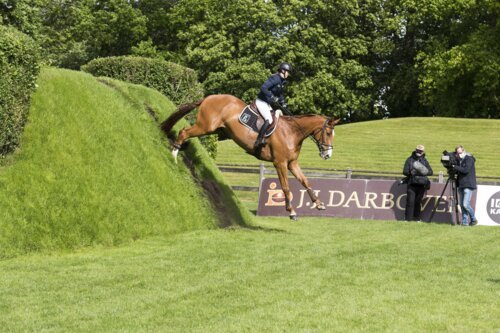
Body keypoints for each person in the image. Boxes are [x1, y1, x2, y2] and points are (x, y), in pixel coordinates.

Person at [254, 62, 292, 148]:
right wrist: (272, 96)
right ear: (283, 71)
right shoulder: (275, 78)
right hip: (261, 101)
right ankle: (259, 140)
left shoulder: (282, 81)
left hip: (267, 103)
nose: (288, 74)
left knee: (275, 119)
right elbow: (263, 87)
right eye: (287, 72)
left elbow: (280, 94)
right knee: (269, 120)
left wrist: (283, 103)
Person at [403, 144, 433, 221]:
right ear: (415, 150)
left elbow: (430, 172)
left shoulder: (425, 161)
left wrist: (420, 171)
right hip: (412, 183)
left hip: (421, 184)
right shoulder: (409, 159)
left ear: (423, 151)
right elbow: (405, 172)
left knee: (418, 202)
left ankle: (417, 218)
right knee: (410, 202)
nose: (419, 152)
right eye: (418, 150)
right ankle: (408, 219)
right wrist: (411, 172)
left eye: (421, 151)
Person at [453, 145, 478, 226]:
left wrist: (455, 166)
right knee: (462, 205)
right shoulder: (458, 161)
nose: (459, 154)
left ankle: (473, 219)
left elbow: (466, 170)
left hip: (468, 184)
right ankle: (465, 222)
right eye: (457, 152)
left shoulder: (469, 159)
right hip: (461, 184)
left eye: (460, 152)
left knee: (465, 204)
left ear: (464, 151)